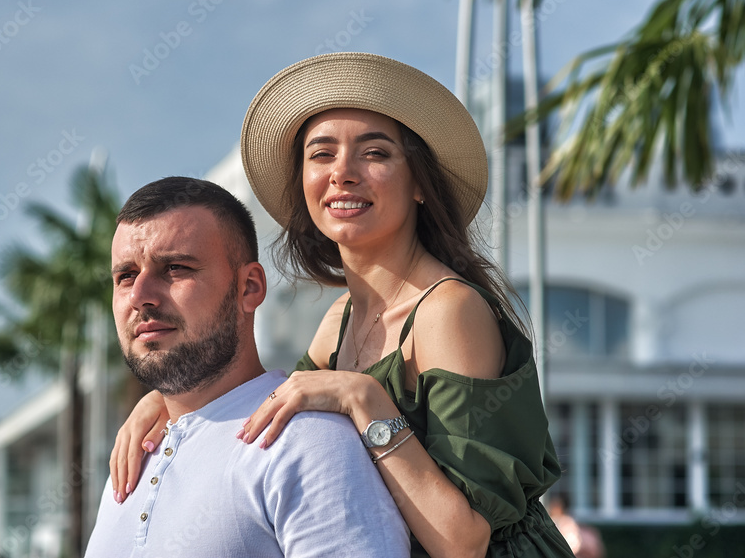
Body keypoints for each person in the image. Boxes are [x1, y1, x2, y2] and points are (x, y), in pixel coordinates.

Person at [111, 53, 576, 558]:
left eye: (374, 153)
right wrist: (171, 403)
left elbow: (463, 541)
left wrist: (365, 399)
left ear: (420, 183)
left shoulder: (448, 310)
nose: (343, 174)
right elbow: (272, 407)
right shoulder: (338, 321)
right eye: (322, 154)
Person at [85, 176, 410, 558]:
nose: (139, 296)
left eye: (174, 268)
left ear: (249, 287)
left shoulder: (307, 441)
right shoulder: (131, 459)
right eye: (125, 276)